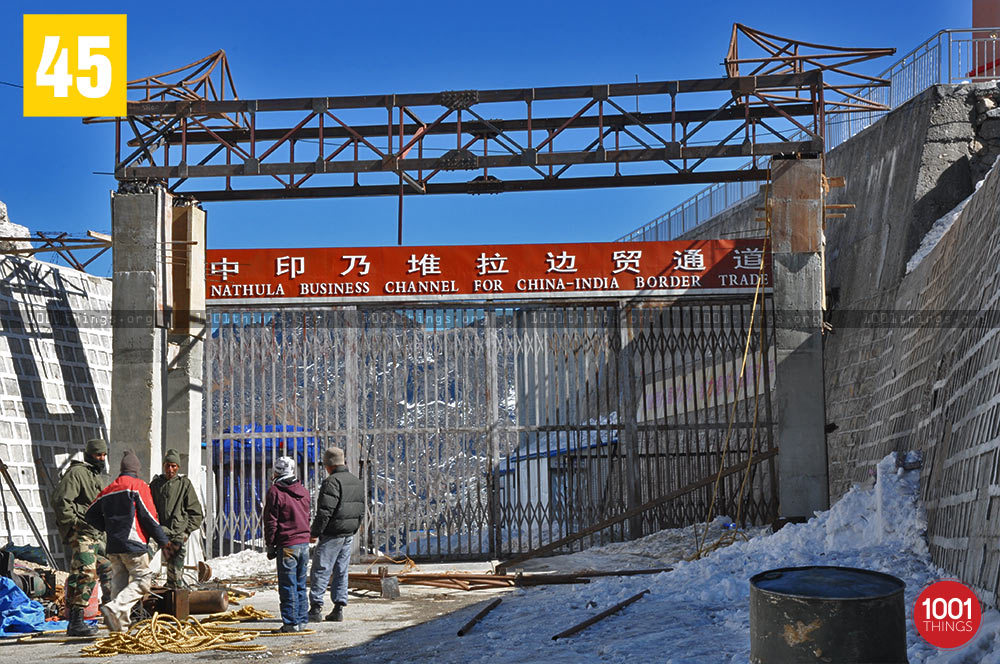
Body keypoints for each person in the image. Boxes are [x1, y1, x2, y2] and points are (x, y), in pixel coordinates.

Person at [85, 450, 175, 633]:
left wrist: (108, 528)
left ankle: (120, 630)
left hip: (113, 546)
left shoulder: (109, 489)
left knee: (120, 581)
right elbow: (149, 517)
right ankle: (115, 608)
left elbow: (90, 514)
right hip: (133, 543)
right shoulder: (138, 486)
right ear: (136, 469)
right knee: (143, 580)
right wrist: (164, 542)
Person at [52, 438, 113, 636]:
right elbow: (61, 501)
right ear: (89, 454)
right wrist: (75, 525)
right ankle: (76, 621)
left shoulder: (95, 476)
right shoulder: (77, 473)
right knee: (87, 572)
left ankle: (111, 610)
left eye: (104, 455)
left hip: (95, 533)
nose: (101, 458)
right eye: (98, 455)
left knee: (108, 567)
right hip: (81, 533)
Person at [307, 447, 363, 623]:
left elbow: (325, 511)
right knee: (341, 570)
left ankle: (315, 608)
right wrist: (354, 528)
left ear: (328, 465)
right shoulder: (356, 481)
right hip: (348, 532)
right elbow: (361, 509)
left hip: (332, 533)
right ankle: (338, 608)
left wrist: (314, 532)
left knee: (321, 569)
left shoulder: (331, 482)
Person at [263, 456, 311, 632]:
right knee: (300, 584)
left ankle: (291, 623)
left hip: (288, 544)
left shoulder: (275, 492)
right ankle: (302, 620)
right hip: (303, 543)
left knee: (287, 585)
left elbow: (271, 521)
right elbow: (307, 516)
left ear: (277, 472)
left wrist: (270, 544)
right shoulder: (304, 491)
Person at [149, 448, 204, 588]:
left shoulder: (184, 484)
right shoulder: (155, 485)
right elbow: (147, 508)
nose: (170, 469)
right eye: (167, 465)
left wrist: (186, 532)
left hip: (177, 533)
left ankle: (173, 597)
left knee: (175, 573)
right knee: (142, 559)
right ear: (163, 466)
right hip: (158, 531)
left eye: (173, 466)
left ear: (178, 467)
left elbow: (196, 512)